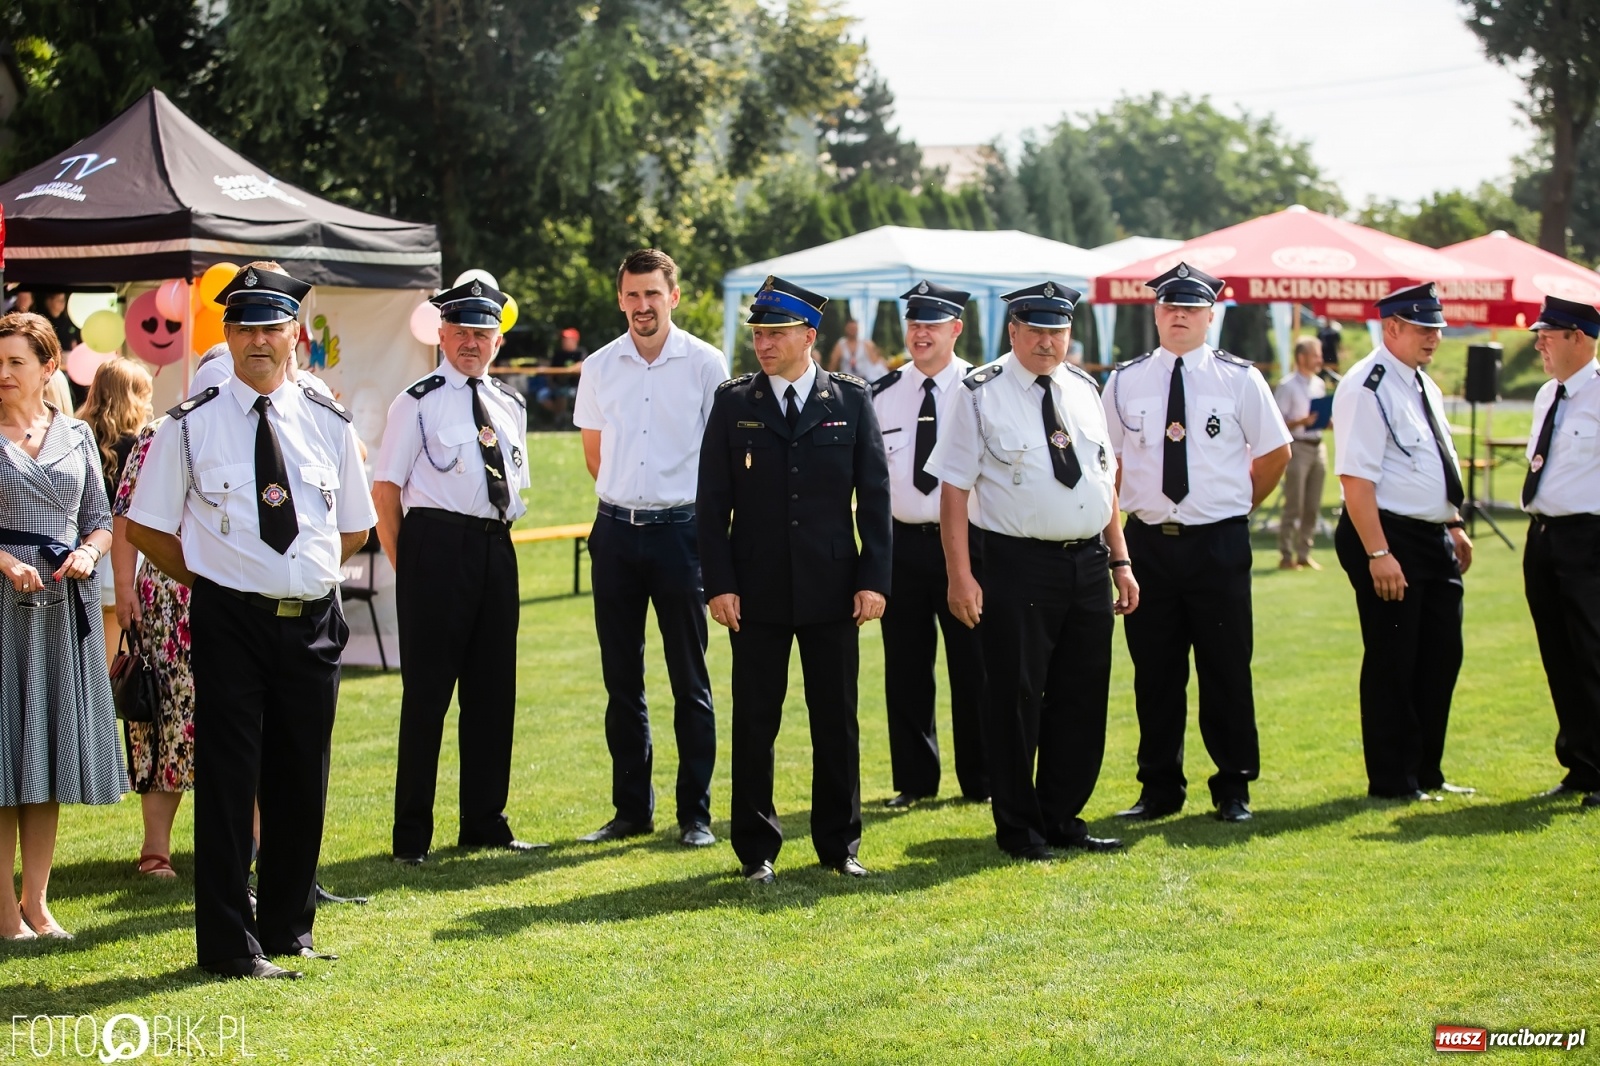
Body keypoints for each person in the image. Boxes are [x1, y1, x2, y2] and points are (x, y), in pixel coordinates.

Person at [126, 262, 375, 979]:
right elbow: (143, 525)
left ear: (295, 334)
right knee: (231, 783)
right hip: (230, 619)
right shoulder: (191, 426)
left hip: (313, 621)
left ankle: (290, 927)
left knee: (304, 776)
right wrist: (215, 574)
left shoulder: (327, 421)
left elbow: (353, 527)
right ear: (227, 335)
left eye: (273, 327)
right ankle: (231, 947)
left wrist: (303, 573)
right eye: (246, 327)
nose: (260, 340)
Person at [926, 281, 1138, 861]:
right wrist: (960, 576)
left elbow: (1103, 481)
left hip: (1089, 561)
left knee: (1082, 694)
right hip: (1016, 564)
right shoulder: (978, 393)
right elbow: (953, 492)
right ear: (1013, 330)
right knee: (1016, 698)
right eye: (1037, 329)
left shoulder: (1085, 388)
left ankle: (1063, 816)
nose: (1049, 341)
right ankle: (1020, 829)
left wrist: (1120, 560)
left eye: (1059, 330)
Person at [697, 275, 891, 884]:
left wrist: (874, 578)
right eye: (758, 333)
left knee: (836, 719)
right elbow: (711, 503)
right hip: (754, 592)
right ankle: (755, 850)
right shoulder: (734, 403)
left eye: (776, 332)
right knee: (756, 720)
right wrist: (719, 583)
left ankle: (839, 845)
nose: (764, 343)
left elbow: (876, 498)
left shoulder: (851, 400)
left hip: (833, 589)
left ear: (809, 336)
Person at [1103, 263, 1292, 824]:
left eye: (1190, 308)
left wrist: (1234, 507)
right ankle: (1159, 788)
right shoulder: (1125, 379)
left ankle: (1233, 788)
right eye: (1169, 307)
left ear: (1212, 314)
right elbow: (1109, 465)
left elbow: (1276, 452)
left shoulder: (1240, 378)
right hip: (1148, 546)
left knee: (1226, 668)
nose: (1178, 316)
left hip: (1218, 546)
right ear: (1155, 313)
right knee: (1155, 672)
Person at [372, 276, 539, 865]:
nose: (471, 341)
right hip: (435, 550)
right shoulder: (415, 401)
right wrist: (407, 566)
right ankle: (411, 835)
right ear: (441, 334)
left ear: (498, 338)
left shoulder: (510, 404)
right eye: (461, 331)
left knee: (494, 693)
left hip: (498, 549)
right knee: (427, 697)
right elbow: (386, 490)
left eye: (483, 332)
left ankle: (484, 821)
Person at [572, 250, 726, 847]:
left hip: (682, 535)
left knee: (690, 680)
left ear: (674, 297)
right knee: (621, 681)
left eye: (652, 295)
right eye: (632, 296)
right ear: (620, 300)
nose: (642, 307)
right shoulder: (599, 366)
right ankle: (632, 810)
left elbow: (718, 465)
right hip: (613, 533)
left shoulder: (706, 365)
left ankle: (696, 815)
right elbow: (595, 454)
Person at [0, 311, 122, 941]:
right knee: (2, 761)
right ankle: (2, 912)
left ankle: (37, 905)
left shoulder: (75, 436)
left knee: (43, 761)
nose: (3, 374)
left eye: (16, 362)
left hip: (61, 609)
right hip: (3, 612)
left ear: (48, 368)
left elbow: (101, 518)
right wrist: (6, 561)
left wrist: (90, 553)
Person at [1330, 282, 1474, 803]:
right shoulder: (1366, 385)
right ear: (1391, 327)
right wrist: (1378, 552)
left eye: (1437, 328)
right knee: (1395, 658)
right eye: (1423, 328)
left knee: (1441, 656)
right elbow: (1356, 481)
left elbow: (1433, 459)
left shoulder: (1420, 382)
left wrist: (1452, 522)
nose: (1434, 337)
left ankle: (1427, 771)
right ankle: (1392, 779)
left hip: (1432, 535)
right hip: (1389, 536)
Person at [869, 281, 988, 808]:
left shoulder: (984, 390)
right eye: (914, 324)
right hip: (903, 546)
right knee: (906, 666)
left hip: (967, 547)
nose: (920, 333)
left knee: (975, 666)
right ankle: (915, 781)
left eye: (932, 324)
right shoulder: (880, 394)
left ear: (955, 330)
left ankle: (982, 780)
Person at [1518, 296, 1600, 808]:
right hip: (1543, 536)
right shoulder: (1549, 393)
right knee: (1558, 655)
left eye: (1552, 333)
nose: (1540, 342)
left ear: (1581, 338)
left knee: (1593, 653)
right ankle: (1581, 763)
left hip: (1589, 539)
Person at [111, 414, 195, 879]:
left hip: (244, 592)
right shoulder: (162, 431)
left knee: (254, 721)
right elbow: (125, 512)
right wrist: (124, 585)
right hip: (167, 599)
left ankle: (260, 846)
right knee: (165, 721)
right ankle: (155, 851)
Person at [76, 357, 154, 664]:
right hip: (124, 552)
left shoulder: (74, 437)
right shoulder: (137, 446)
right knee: (111, 648)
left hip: (82, 549)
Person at [1275, 336, 1329, 570]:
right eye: (1315, 354)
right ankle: (1286, 555)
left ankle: (1304, 553)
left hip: (1318, 446)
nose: (1320, 359)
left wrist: (1326, 421)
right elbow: (1276, 423)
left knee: (1312, 505)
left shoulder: (1319, 384)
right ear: (1301, 357)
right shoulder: (1287, 386)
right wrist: (1302, 421)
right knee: (1294, 504)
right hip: (1297, 446)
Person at [535, 327, 586, 422]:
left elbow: (582, 364)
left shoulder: (580, 353)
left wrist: (568, 370)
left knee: (563, 393)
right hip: (556, 386)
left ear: (575, 340)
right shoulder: (558, 354)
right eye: (564, 339)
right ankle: (562, 415)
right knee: (542, 396)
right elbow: (552, 370)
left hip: (575, 388)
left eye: (567, 339)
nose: (564, 341)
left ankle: (562, 417)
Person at [828, 318, 889, 382]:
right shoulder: (840, 345)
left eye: (854, 328)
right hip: (846, 381)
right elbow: (833, 364)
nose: (852, 331)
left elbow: (876, 361)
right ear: (846, 329)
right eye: (850, 328)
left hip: (864, 380)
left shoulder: (866, 344)